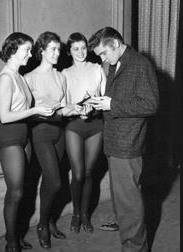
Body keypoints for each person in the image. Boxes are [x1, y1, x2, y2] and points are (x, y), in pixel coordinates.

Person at [88, 27, 159, 252]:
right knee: (124, 199)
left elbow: (151, 104)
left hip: (127, 143)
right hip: (115, 140)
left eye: (103, 53)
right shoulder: (115, 63)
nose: (102, 58)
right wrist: (100, 103)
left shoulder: (139, 64)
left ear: (115, 45)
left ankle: (135, 248)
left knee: (130, 203)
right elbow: (119, 97)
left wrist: (112, 105)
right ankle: (129, 234)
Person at [0, 32, 53, 252]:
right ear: (13, 51)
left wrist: (46, 111)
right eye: (26, 50)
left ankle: (16, 236)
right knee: (15, 192)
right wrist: (36, 109)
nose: (30, 54)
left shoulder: (18, 75)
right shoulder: (6, 78)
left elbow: (23, 111)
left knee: (23, 189)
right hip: (8, 136)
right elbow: (5, 116)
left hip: (23, 135)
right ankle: (11, 242)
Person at [24, 31, 81, 249]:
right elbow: (26, 111)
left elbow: (64, 105)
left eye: (59, 49)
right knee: (56, 181)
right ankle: (42, 226)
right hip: (41, 132)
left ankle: (47, 221)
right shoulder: (29, 78)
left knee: (51, 181)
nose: (58, 53)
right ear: (41, 51)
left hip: (59, 132)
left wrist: (75, 108)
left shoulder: (60, 76)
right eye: (53, 49)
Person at [61, 32, 106, 234]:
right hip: (74, 126)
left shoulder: (97, 69)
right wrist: (78, 108)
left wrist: (93, 108)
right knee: (78, 174)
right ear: (69, 51)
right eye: (76, 49)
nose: (81, 52)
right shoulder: (64, 74)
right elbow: (62, 106)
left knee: (89, 173)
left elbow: (105, 99)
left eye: (84, 47)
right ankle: (76, 213)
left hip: (96, 125)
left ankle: (85, 214)